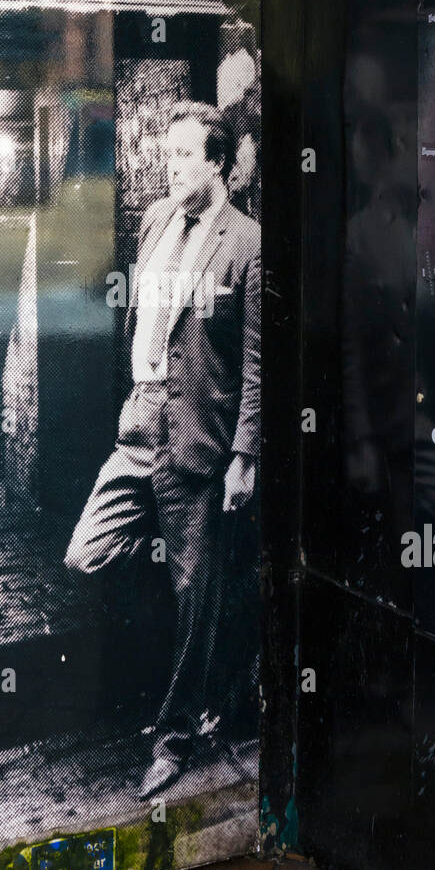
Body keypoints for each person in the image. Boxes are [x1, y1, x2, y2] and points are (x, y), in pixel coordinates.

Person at [64, 100, 260, 799]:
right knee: (87, 554)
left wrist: (245, 455)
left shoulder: (246, 243)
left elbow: (258, 361)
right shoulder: (153, 222)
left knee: (194, 596)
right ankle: (189, 666)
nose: (170, 167)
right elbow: (142, 320)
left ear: (217, 162)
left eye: (183, 156)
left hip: (199, 441)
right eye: (167, 155)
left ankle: (174, 739)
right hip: (138, 424)